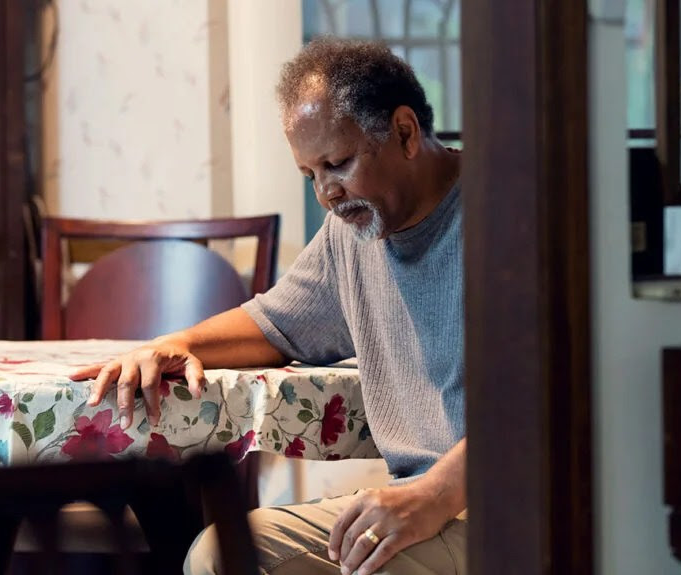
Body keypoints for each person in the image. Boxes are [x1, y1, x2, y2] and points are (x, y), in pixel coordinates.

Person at [71, 37, 466, 575]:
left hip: (512, 511)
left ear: (404, 132)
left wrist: (436, 496)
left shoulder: (504, 214)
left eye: (339, 163)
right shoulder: (350, 231)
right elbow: (274, 323)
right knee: (221, 553)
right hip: (416, 501)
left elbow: (551, 403)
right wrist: (176, 344)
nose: (326, 192)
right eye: (310, 175)